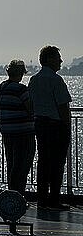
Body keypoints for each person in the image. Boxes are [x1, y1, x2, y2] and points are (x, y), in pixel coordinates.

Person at [28, 46, 72, 210]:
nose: (61, 61)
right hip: (56, 125)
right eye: (58, 57)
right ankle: (54, 199)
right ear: (49, 59)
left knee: (43, 162)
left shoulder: (34, 80)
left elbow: (31, 103)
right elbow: (63, 106)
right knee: (57, 163)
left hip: (40, 124)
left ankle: (41, 199)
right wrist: (67, 127)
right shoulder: (56, 80)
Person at [0, 60, 36, 195]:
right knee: (23, 164)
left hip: (7, 131)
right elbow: (31, 109)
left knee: (11, 164)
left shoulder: (0, 88)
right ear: (21, 73)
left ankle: (11, 194)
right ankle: (18, 195)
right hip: (23, 132)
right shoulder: (21, 89)